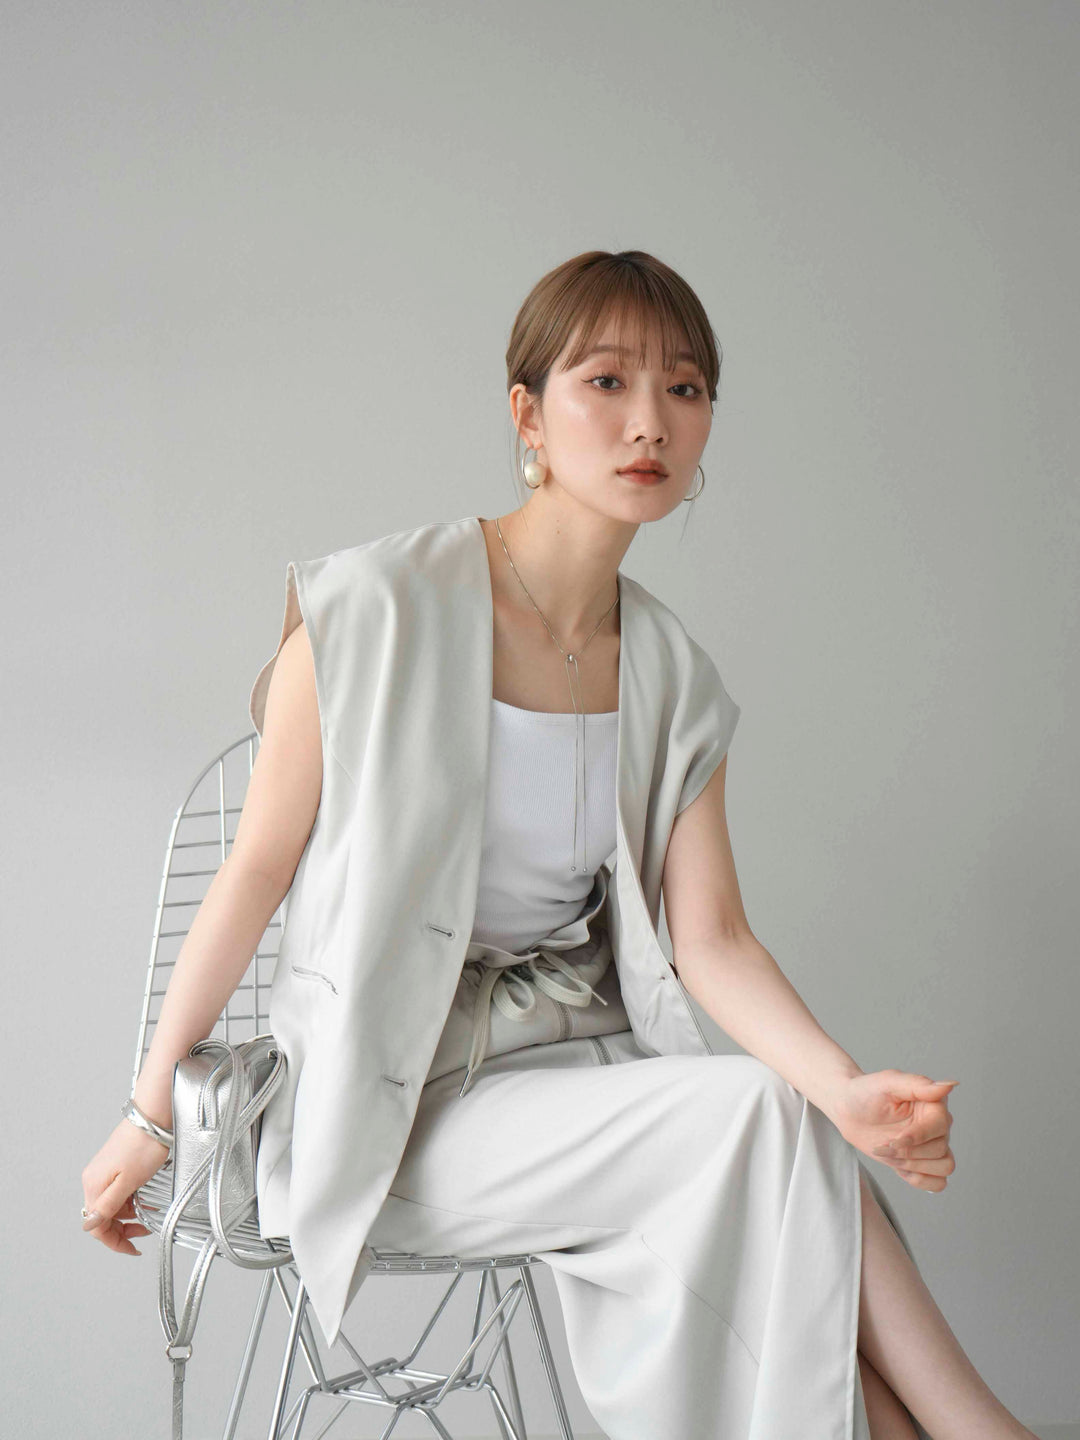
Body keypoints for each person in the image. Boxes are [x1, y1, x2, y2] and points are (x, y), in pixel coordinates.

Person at [81, 250, 1036, 1439]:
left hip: (572, 1091)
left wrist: (848, 1092)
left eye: (685, 389)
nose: (651, 423)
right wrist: (150, 1117)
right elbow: (257, 873)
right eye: (608, 382)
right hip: (387, 1116)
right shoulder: (372, 607)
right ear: (528, 414)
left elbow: (714, 940)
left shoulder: (673, 674)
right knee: (761, 1118)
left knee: (792, 1127)